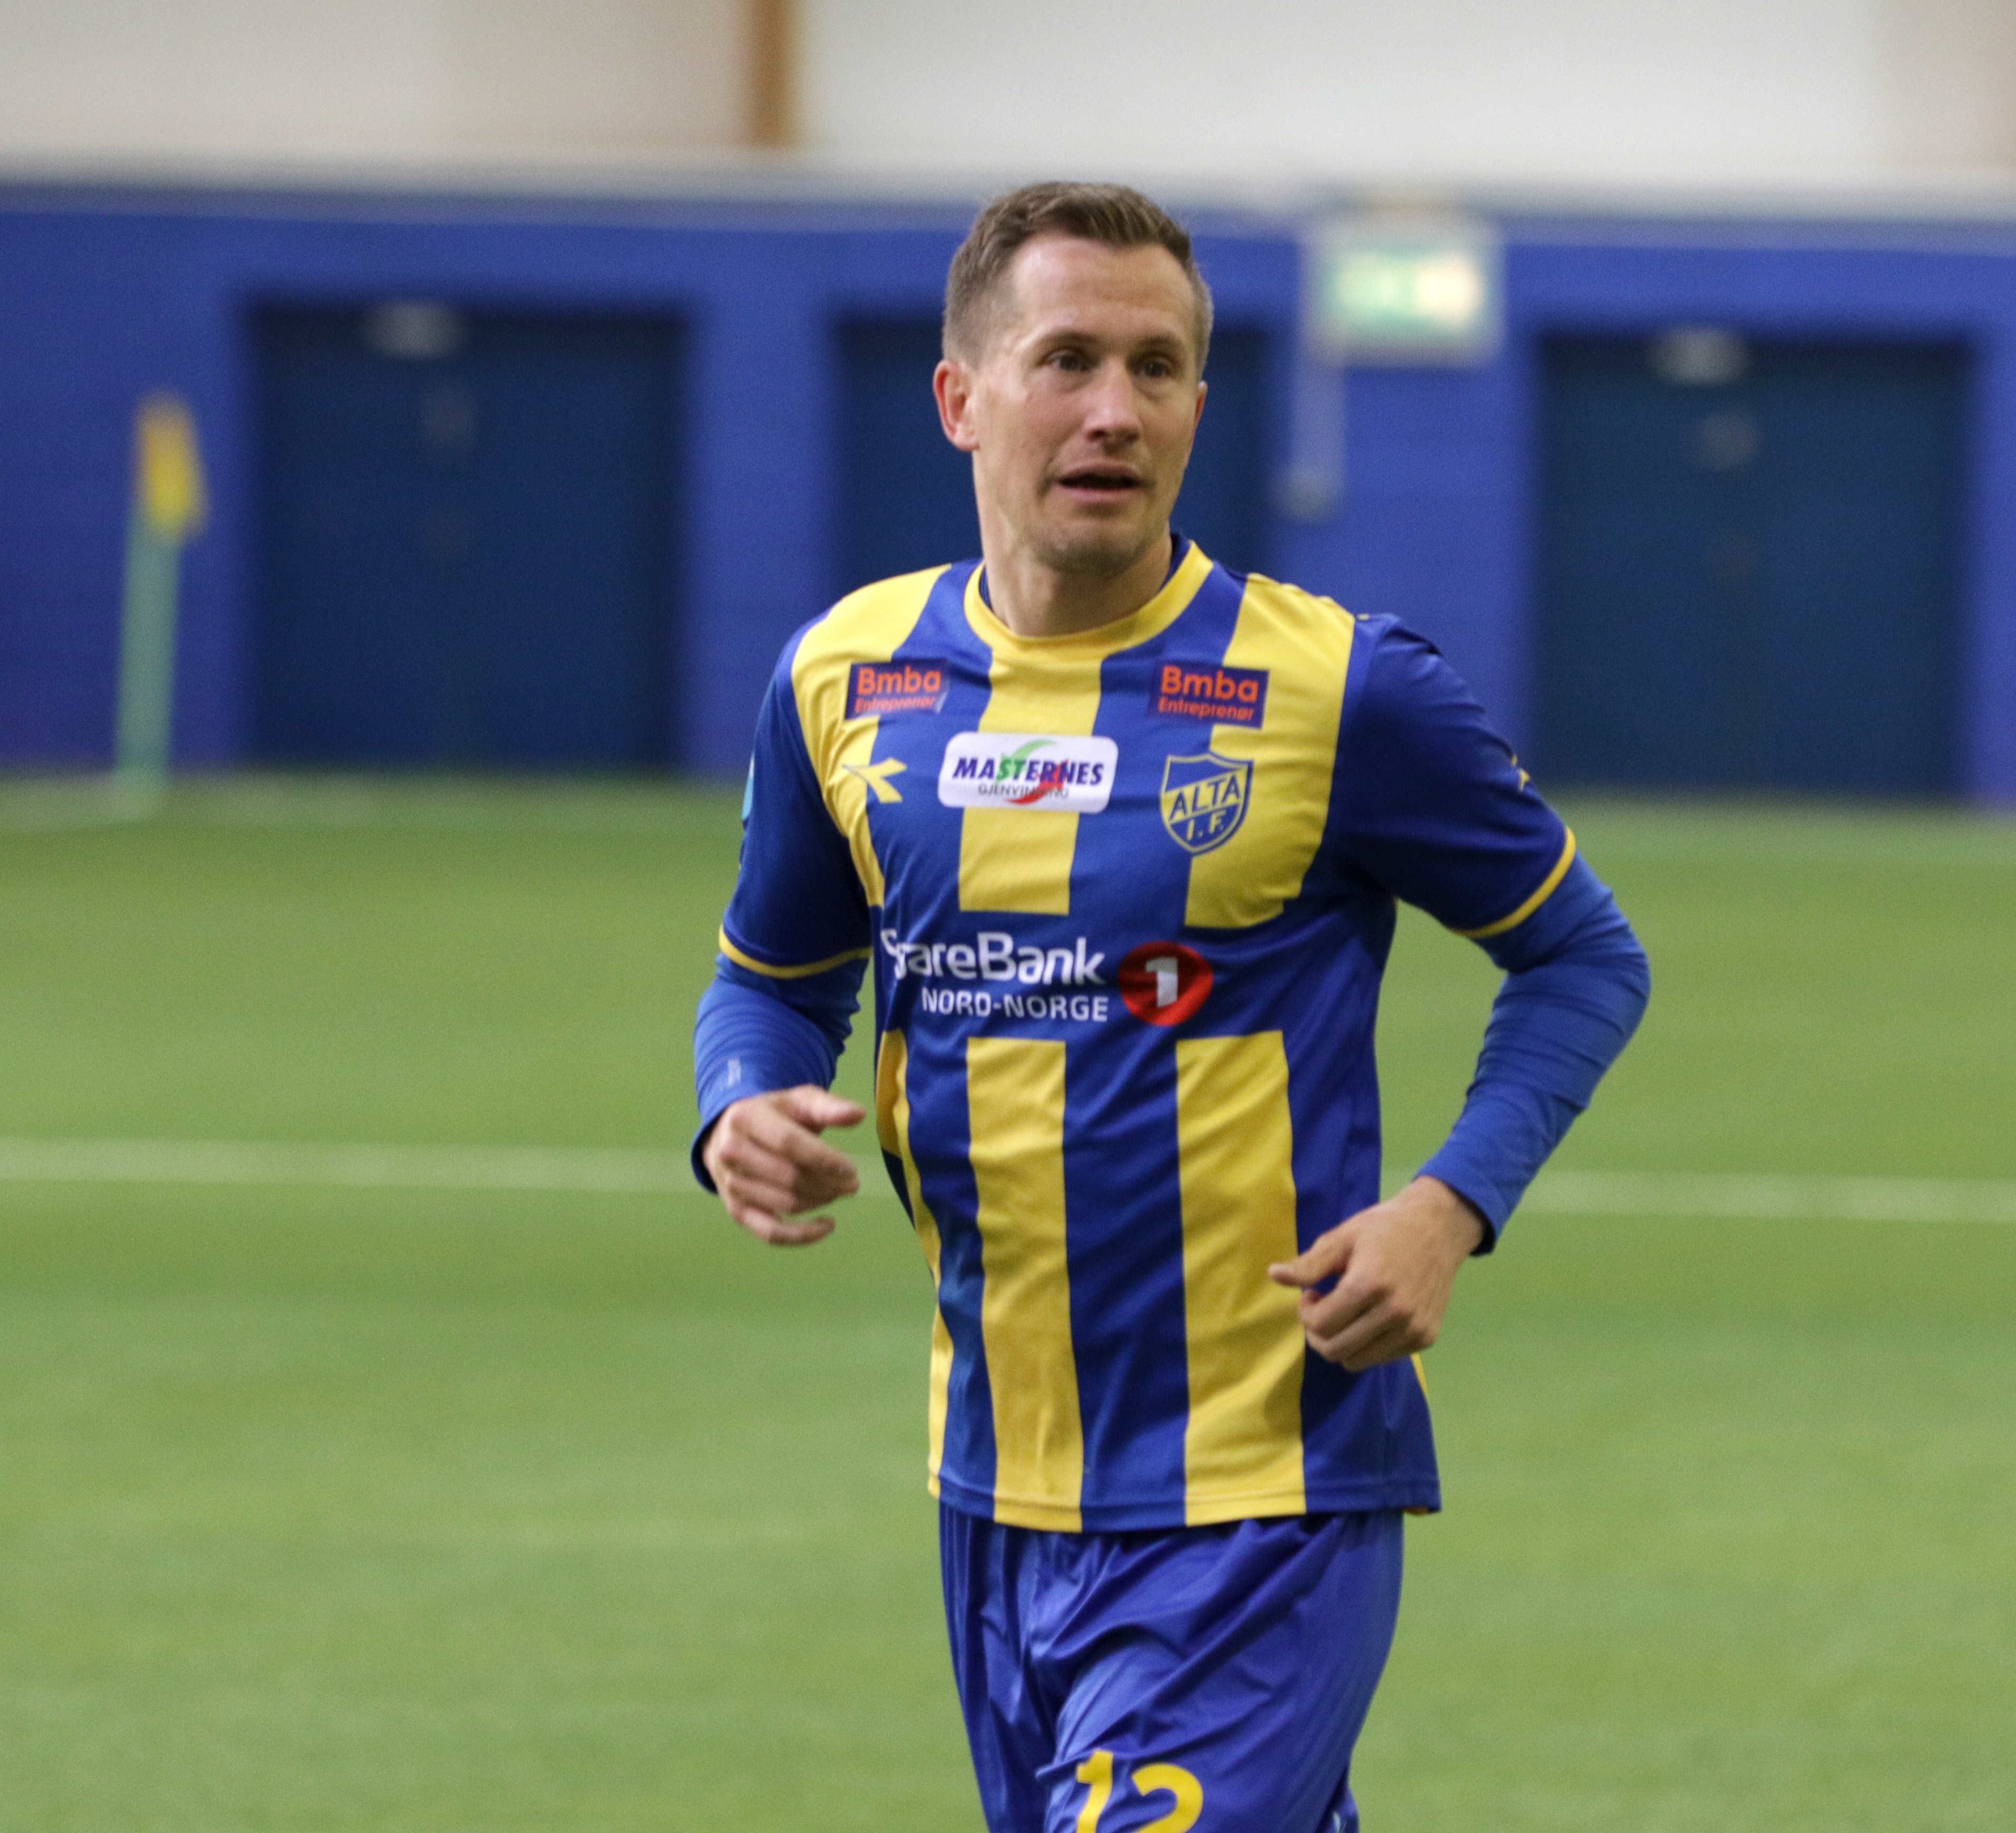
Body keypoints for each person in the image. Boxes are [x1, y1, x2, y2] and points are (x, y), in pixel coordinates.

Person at [692, 182, 1650, 1833]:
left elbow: (1581, 956)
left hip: (1261, 1483)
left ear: (1201, 405)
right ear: (961, 398)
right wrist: (739, 1104)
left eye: (1156, 369)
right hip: (996, 1484)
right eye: (1066, 360)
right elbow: (770, 982)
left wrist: (1447, 1208)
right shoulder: (844, 677)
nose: (1114, 411)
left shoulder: (1338, 689)